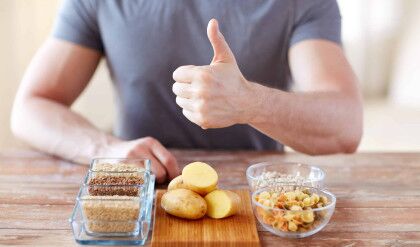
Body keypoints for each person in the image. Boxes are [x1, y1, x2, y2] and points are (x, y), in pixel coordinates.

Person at [11, 0, 363, 183]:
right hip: (144, 196)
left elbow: (345, 126)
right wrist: (106, 149)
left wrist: (249, 102)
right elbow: (31, 107)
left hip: (260, 203)